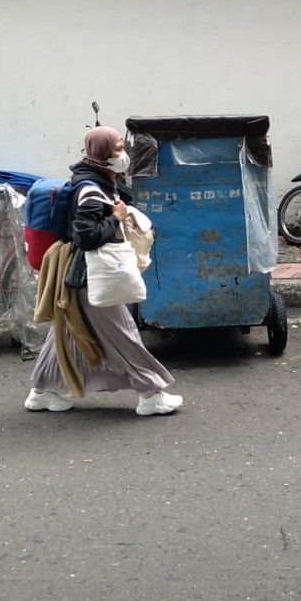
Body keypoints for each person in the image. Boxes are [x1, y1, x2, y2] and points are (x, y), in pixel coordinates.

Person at [25, 125, 184, 416]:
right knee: (122, 333)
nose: (123, 154)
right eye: (118, 148)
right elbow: (85, 236)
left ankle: (43, 392)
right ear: (102, 153)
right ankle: (151, 394)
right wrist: (116, 218)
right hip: (91, 274)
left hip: (80, 274)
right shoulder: (89, 189)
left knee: (68, 331)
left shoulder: (98, 179)